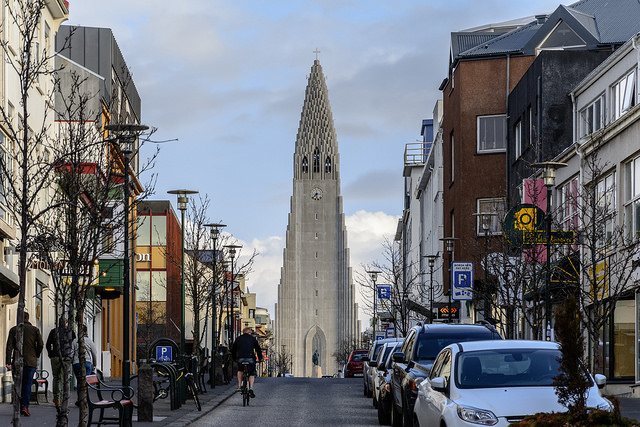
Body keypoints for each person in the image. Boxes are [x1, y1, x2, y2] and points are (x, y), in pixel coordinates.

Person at [5, 311, 44, 417]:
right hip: (30, 362)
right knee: (27, 385)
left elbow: (9, 347)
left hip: (17, 362)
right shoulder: (35, 330)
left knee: (18, 385)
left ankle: (17, 406)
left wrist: (8, 362)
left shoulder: (14, 330)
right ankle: (25, 406)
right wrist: (36, 354)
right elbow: (41, 344)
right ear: (28, 318)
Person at [46, 320, 75, 408]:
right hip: (66, 357)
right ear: (66, 324)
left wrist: (51, 354)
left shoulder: (53, 331)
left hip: (55, 356)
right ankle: (63, 400)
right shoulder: (70, 332)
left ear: (58, 323)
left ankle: (56, 399)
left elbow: (48, 344)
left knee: (56, 378)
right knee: (64, 379)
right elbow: (74, 344)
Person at [231, 327, 263, 398]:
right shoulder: (253, 339)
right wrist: (260, 358)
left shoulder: (238, 339)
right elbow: (258, 349)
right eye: (251, 332)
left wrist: (234, 358)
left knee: (240, 371)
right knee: (251, 373)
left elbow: (233, 350)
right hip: (250, 358)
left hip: (241, 358)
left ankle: (239, 385)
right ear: (249, 333)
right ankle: (251, 388)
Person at [72, 324, 98, 405]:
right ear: (86, 331)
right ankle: (84, 399)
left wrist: (71, 362)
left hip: (76, 363)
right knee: (85, 381)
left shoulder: (74, 341)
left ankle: (80, 399)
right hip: (87, 363)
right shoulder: (89, 341)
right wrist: (94, 364)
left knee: (79, 381)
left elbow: (71, 353)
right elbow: (94, 353)